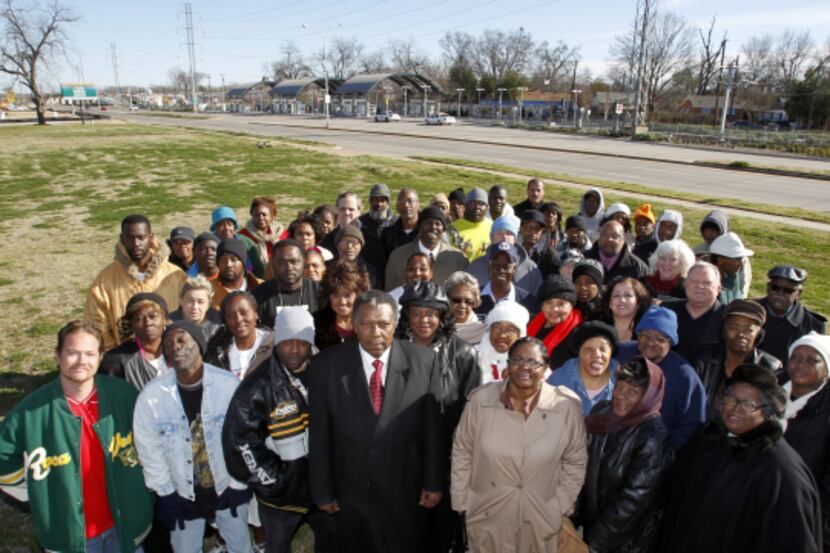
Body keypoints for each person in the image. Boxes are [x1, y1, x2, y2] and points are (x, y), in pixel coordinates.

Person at [0, 321, 153, 553]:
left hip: (125, 527)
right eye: (72, 353)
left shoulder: (124, 395)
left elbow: (151, 442)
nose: (82, 361)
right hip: (70, 538)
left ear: (101, 357)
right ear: (57, 355)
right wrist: (37, 496)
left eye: (90, 354)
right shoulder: (30, 413)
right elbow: (3, 458)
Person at [308, 291, 443, 553]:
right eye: (367, 324)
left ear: (395, 324)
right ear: (354, 325)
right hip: (350, 492)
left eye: (383, 324)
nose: (376, 332)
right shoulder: (326, 366)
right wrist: (322, 492)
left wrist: (433, 482)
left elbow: (432, 432)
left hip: (405, 490)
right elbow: (320, 436)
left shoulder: (424, 362)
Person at [659, 364, 822, 553]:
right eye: (731, 399)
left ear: (767, 411)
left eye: (748, 404)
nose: (735, 409)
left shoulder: (780, 472)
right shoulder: (705, 440)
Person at [451, 337, 587, 552]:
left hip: (541, 518)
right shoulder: (482, 400)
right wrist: (462, 501)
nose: (524, 367)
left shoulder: (565, 407)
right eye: (517, 360)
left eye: (533, 362)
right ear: (508, 364)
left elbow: (575, 460)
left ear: (546, 368)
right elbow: (462, 450)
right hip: (487, 513)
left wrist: (560, 504)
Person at [133, 320, 253, 553]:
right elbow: (149, 450)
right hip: (181, 491)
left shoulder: (228, 386)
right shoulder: (152, 397)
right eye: (168, 344)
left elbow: (245, 436)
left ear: (198, 344)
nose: (175, 347)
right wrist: (166, 494)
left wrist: (239, 484)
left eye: (181, 340)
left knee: (240, 547)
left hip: (225, 485)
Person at [223, 307, 335, 553]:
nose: (294, 350)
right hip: (282, 495)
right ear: (277, 342)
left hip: (322, 486)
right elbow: (240, 443)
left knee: (331, 542)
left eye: (302, 343)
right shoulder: (256, 386)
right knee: (278, 547)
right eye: (287, 343)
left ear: (311, 343)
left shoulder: (327, 372)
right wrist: (275, 481)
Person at [396, 281, 481, 553]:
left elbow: (470, 420)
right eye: (417, 312)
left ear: (442, 316)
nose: (424, 320)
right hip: (400, 465)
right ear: (406, 315)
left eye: (432, 313)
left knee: (441, 538)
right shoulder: (390, 352)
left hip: (446, 465)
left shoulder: (464, 354)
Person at [577, 358, 673, 553]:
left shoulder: (653, 437)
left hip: (627, 541)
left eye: (632, 392)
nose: (621, 396)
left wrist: (594, 544)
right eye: (619, 387)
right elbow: (582, 466)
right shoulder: (602, 413)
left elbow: (633, 500)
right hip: (593, 527)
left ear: (648, 397)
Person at [85, 214, 186, 351]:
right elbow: (96, 323)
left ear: (150, 237)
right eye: (130, 237)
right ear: (122, 238)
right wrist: (114, 355)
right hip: (125, 359)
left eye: (141, 237)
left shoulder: (175, 276)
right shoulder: (105, 280)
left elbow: (188, 315)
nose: (136, 243)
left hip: (170, 354)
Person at [617, 306, 707, 448]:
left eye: (660, 338)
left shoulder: (684, 375)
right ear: (637, 336)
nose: (650, 342)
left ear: (670, 343)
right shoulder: (620, 353)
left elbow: (693, 422)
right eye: (645, 335)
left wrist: (667, 450)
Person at [782, 333, 830, 553]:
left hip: (805, 516)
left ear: (827, 372)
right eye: (796, 357)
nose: (801, 364)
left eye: (813, 360)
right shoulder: (769, 392)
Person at [694, 299, 782, 414]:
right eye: (733, 327)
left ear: (758, 335)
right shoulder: (703, 357)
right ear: (723, 331)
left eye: (748, 329)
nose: (741, 334)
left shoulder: (769, 368)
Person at [385, 206, 468, 291]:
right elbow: (390, 293)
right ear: (419, 227)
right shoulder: (398, 257)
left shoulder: (458, 259)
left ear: (443, 229)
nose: (433, 227)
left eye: (437, 224)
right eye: (427, 223)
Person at [756, 265, 826, 365]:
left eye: (788, 290)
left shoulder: (813, 325)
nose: (780, 293)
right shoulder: (748, 310)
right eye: (775, 287)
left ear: (799, 293)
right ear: (768, 287)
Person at [101, 292, 170, 390]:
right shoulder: (115, 361)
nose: (148, 323)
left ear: (164, 319)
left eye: (153, 316)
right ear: (131, 323)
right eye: (139, 318)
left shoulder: (179, 352)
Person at [549, 321, 620, 415]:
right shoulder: (558, 380)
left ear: (611, 353)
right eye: (589, 349)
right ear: (579, 354)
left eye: (603, 349)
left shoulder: (622, 382)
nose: (597, 355)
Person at [665, 262, 724, 365]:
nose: (699, 286)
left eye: (707, 283)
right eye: (694, 281)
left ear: (718, 288)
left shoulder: (728, 318)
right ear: (685, 284)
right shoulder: (666, 312)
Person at [467, 215, 544, 294]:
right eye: (499, 233)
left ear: (515, 238)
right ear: (492, 237)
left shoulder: (530, 269)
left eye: (509, 233)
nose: (504, 237)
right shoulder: (475, 267)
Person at [205, 291, 274, 379]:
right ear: (225, 320)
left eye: (243, 312)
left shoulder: (275, 345)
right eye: (230, 316)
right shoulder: (216, 352)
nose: (238, 319)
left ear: (256, 314)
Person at [253, 239, 320, 329]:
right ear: (272, 263)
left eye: (294, 262)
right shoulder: (259, 295)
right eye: (281, 262)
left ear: (303, 262)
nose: (289, 268)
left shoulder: (319, 291)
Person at [528, 274, 584, 370]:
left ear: (571, 305)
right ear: (542, 305)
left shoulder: (579, 334)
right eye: (549, 302)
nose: (554, 309)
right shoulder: (530, 321)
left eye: (561, 303)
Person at [313, 260, 371, 351]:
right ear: (328, 296)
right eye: (336, 295)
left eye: (347, 295)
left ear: (358, 294)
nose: (342, 301)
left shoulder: (370, 322)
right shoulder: (316, 324)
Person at [474, 241, 539, 317]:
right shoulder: (473, 298)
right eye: (496, 264)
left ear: (515, 269)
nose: (501, 269)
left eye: (506, 266)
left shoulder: (528, 302)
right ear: (489, 266)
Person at [476, 300, 531, 384]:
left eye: (510, 330)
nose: (502, 335)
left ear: (520, 335)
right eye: (497, 328)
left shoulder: (532, 362)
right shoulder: (472, 356)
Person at [239, 196, 288, 279]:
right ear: (252, 215)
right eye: (257, 215)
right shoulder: (243, 235)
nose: (260, 218)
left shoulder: (283, 235)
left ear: (272, 216)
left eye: (264, 214)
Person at [211, 239, 263, 311]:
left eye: (233, 259)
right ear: (218, 263)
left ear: (243, 263)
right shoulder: (208, 290)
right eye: (223, 260)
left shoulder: (261, 286)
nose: (228, 264)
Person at [597, 276, 651, 342]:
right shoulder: (596, 328)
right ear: (609, 303)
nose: (622, 300)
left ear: (638, 302)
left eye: (628, 295)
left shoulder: (649, 329)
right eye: (616, 295)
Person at [169, 275, 223, 341]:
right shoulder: (168, 324)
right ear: (181, 301)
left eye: (200, 302)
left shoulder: (218, 325)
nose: (195, 307)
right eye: (190, 301)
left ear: (208, 303)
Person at [709, 231, 754, 303]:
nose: (740, 264)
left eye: (741, 259)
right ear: (720, 260)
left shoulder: (734, 276)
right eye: (737, 259)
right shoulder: (706, 282)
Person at [450, 187, 492, 261]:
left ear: (487, 207)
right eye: (472, 203)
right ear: (465, 205)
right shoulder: (452, 229)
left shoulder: (494, 227)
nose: (477, 207)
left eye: (481, 204)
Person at [444, 271, 486, 344]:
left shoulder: (483, 332)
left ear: (475, 303)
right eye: (457, 300)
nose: (462, 306)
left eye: (468, 302)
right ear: (447, 299)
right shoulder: (436, 329)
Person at [381, 188, 420, 259]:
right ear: (397, 206)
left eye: (410, 201)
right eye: (402, 201)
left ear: (418, 204)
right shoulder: (388, 235)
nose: (406, 205)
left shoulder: (426, 231)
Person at [520, 209, 560, 279]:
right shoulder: (512, 251)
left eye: (537, 228)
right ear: (521, 228)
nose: (532, 232)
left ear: (542, 231)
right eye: (528, 227)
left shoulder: (550, 256)